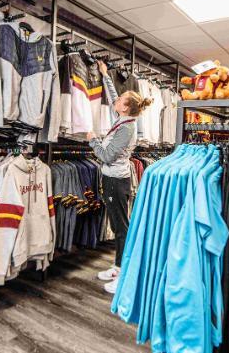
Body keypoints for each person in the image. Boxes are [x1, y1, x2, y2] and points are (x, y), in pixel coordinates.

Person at [87, 61, 152, 294]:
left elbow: (105, 155)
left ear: (125, 108)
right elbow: (114, 94)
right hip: (112, 180)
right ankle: (117, 266)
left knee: (121, 228)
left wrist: (92, 139)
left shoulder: (126, 129)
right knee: (117, 226)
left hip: (116, 181)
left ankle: (124, 274)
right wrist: (105, 75)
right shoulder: (124, 118)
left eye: (120, 101)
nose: (115, 101)